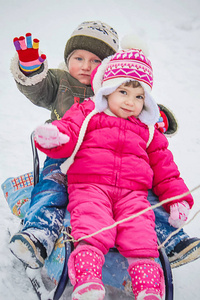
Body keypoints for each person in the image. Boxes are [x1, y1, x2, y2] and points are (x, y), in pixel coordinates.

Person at [8, 21, 200, 272]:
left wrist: (160, 117)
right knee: (51, 187)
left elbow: (141, 99)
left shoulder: (117, 89)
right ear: (68, 59)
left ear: (109, 67)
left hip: (113, 162)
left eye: (95, 60)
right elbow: (40, 87)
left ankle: (168, 238)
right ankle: (39, 233)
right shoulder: (60, 82)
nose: (86, 66)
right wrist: (31, 69)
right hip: (63, 153)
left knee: (146, 193)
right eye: (78, 57)